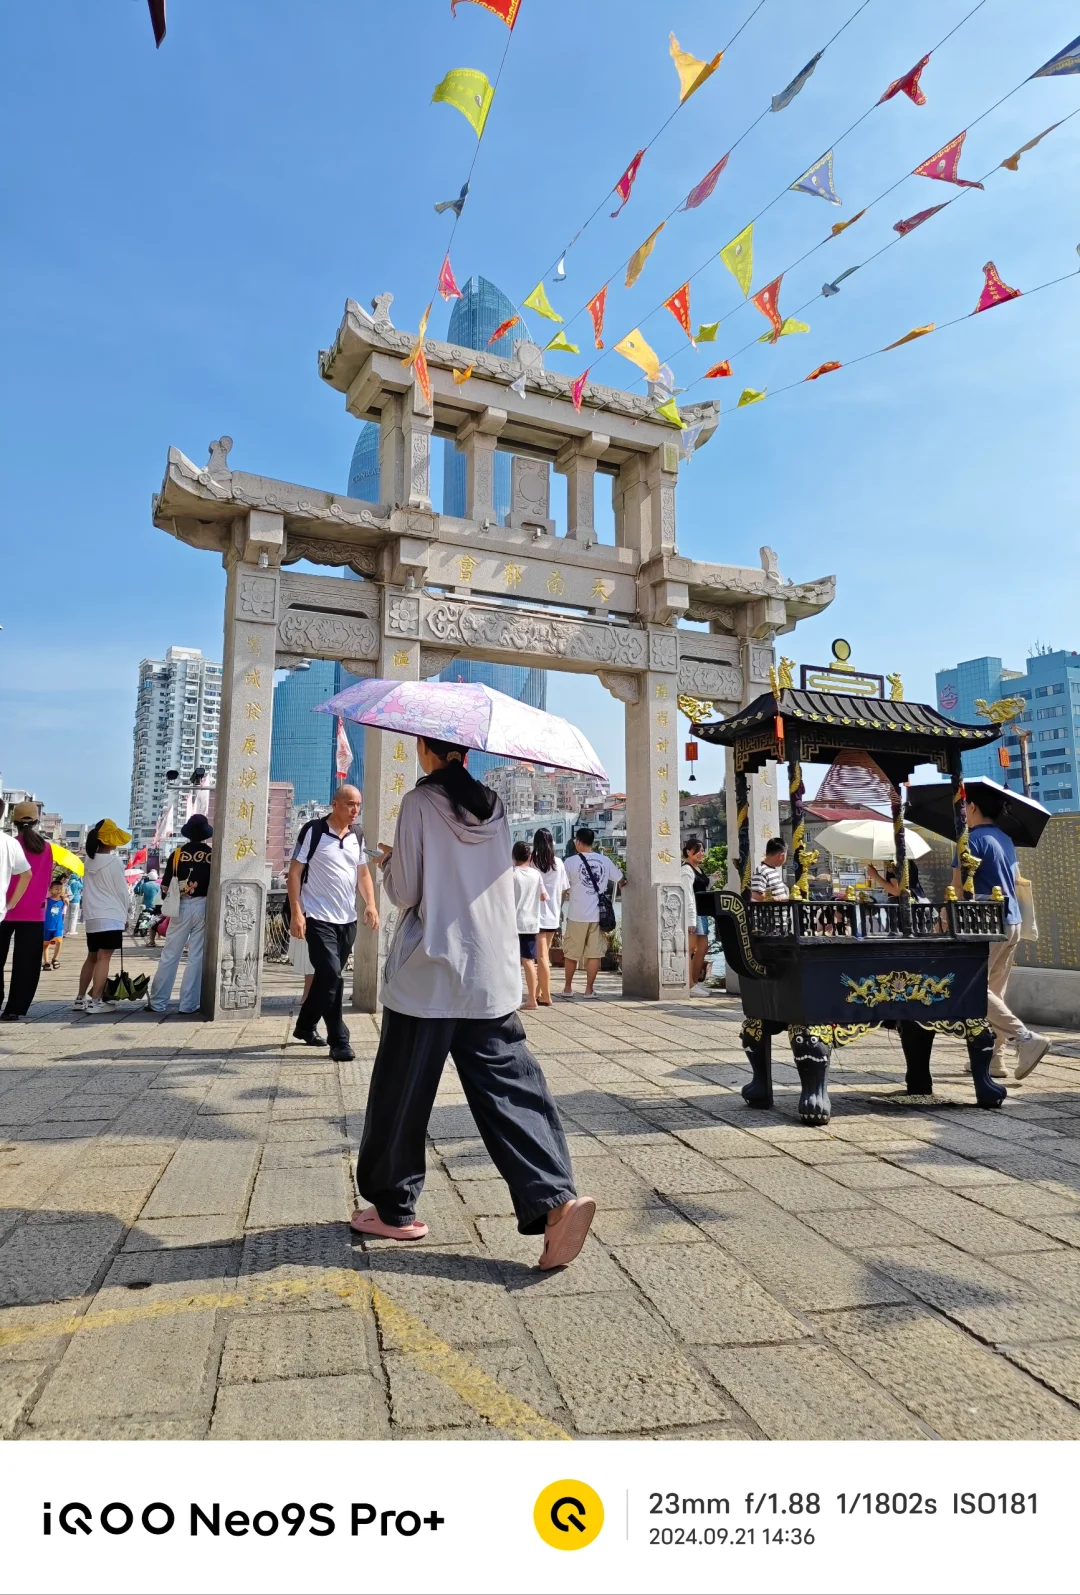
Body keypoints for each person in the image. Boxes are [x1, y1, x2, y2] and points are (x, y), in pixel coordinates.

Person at [354, 736, 594, 1270]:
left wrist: (391, 863)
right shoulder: (497, 805)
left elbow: (406, 893)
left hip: (430, 973)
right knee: (512, 1092)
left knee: (401, 1094)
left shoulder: (419, 803)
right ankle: (556, 1202)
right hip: (489, 973)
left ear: (424, 747)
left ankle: (394, 1210)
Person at [952, 791, 1049, 1082]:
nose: (961, 812)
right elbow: (1015, 879)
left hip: (983, 924)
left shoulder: (967, 841)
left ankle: (1025, 1038)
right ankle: (995, 1059)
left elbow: (956, 889)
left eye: (962, 806)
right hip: (1012, 920)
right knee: (995, 990)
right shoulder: (1005, 838)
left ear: (971, 806)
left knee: (970, 988)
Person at [288, 785, 378, 1062]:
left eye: (358, 805)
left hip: (347, 919)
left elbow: (362, 873)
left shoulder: (357, 835)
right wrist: (296, 912)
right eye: (350, 804)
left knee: (328, 978)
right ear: (335, 804)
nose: (355, 810)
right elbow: (294, 872)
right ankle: (339, 1039)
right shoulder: (313, 831)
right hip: (317, 917)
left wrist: (371, 904)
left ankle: (304, 1026)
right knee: (332, 976)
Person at [148, 815, 213, 1014]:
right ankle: (188, 1004)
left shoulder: (177, 854)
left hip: (180, 906)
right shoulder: (212, 854)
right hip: (203, 905)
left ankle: (158, 1002)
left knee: (170, 953)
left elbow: (166, 886)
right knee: (196, 955)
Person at [0, 802, 55, 1022]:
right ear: (36, 820)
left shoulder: (9, 844)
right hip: (34, 911)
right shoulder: (48, 848)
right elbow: (48, 880)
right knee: (27, 963)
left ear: (13, 821)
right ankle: (15, 1008)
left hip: (6, 909)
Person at [77, 819, 132, 1014]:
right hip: (111, 916)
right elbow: (122, 892)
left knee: (91, 957)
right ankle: (96, 1002)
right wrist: (127, 915)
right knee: (104, 958)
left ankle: (80, 998)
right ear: (108, 840)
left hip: (92, 917)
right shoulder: (115, 861)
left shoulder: (88, 861)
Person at [560, 827, 622, 1000]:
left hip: (576, 915)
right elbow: (621, 879)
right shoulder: (604, 860)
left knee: (571, 953)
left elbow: (563, 888)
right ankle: (588, 990)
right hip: (598, 915)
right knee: (594, 954)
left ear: (579, 842)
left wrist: (558, 908)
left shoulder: (570, 862)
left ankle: (567, 988)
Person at [0, 800, 33, 1011]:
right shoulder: (10, 844)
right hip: (6, 911)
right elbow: (27, 875)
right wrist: (10, 903)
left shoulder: (14, 841)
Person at [531, 827, 568, 1007]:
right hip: (553, 914)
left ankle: (546, 996)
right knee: (543, 956)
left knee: (542, 957)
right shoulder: (558, 863)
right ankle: (539, 992)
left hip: (535, 914)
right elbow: (563, 890)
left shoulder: (531, 862)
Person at [512, 840, 547, 1011]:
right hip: (531, 922)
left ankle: (511, 997)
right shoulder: (536, 875)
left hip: (512, 923)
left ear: (513, 856)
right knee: (529, 961)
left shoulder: (511, 874)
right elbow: (544, 896)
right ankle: (532, 998)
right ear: (530, 856)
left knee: (509, 962)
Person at [681, 837, 712, 995]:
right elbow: (688, 895)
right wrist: (691, 919)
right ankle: (689, 984)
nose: (701, 853)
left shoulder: (698, 869)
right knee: (691, 948)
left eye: (702, 850)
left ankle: (694, 982)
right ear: (688, 851)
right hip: (694, 913)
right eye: (698, 850)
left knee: (703, 948)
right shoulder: (686, 870)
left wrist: (712, 880)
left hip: (703, 913)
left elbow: (701, 888)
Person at [42, 880, 67, 970]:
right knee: (45, 945)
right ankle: (46, 963)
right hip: (47, 925)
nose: (58, 891)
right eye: (56, 889)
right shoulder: (47, 901)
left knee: (59, 941)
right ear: (50, 890)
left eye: (60, 889)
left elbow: (64, 912)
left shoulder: (63, 901)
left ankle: (55, 959)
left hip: (58, 926)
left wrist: (66, 899)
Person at [64, 869, 83, 936]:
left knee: (67, 916)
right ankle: (72, 930)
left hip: (69, 900)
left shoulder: (69, 882)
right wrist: (80, 879)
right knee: (74, 916)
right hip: (75, 900)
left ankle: (65, 930)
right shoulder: (77, 883)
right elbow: (83, 887)